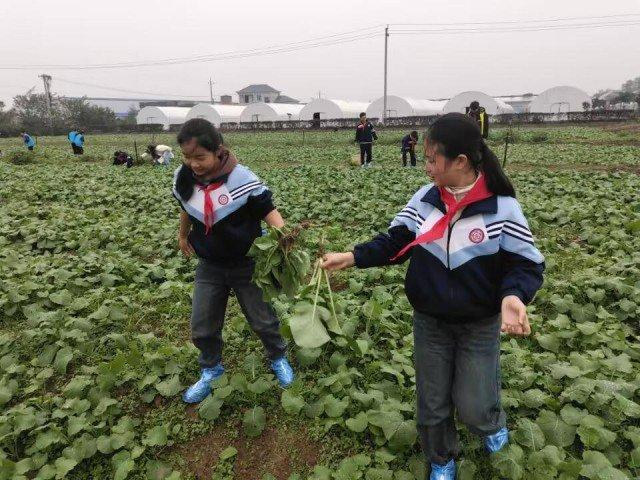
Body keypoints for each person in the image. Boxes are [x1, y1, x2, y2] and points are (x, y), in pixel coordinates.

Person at [322, 113, 544, 480]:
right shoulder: (425, 199)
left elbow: (526, 264)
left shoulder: (501, 207)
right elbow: (396, 240)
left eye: (430, 160)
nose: (425, 167)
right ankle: (441, 458)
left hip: (478, 323)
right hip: (431, 322)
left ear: (460, 161)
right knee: (433, 401)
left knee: (474, 404)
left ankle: (490, 422)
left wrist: (513, 297)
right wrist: (353, 256)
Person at [172, 118, 294, 404]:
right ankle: (211, 369)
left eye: (200, 157)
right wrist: (182, 236)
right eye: (187, 157)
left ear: (218, 150)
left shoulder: (242, 179)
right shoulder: (186, 176)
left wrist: (286, 238)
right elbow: (187, 209)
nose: (194, 164)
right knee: (202, 324)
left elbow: (268, 211)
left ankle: (278, 358)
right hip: (210, 265)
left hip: (246, 263)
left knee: (263, 320)